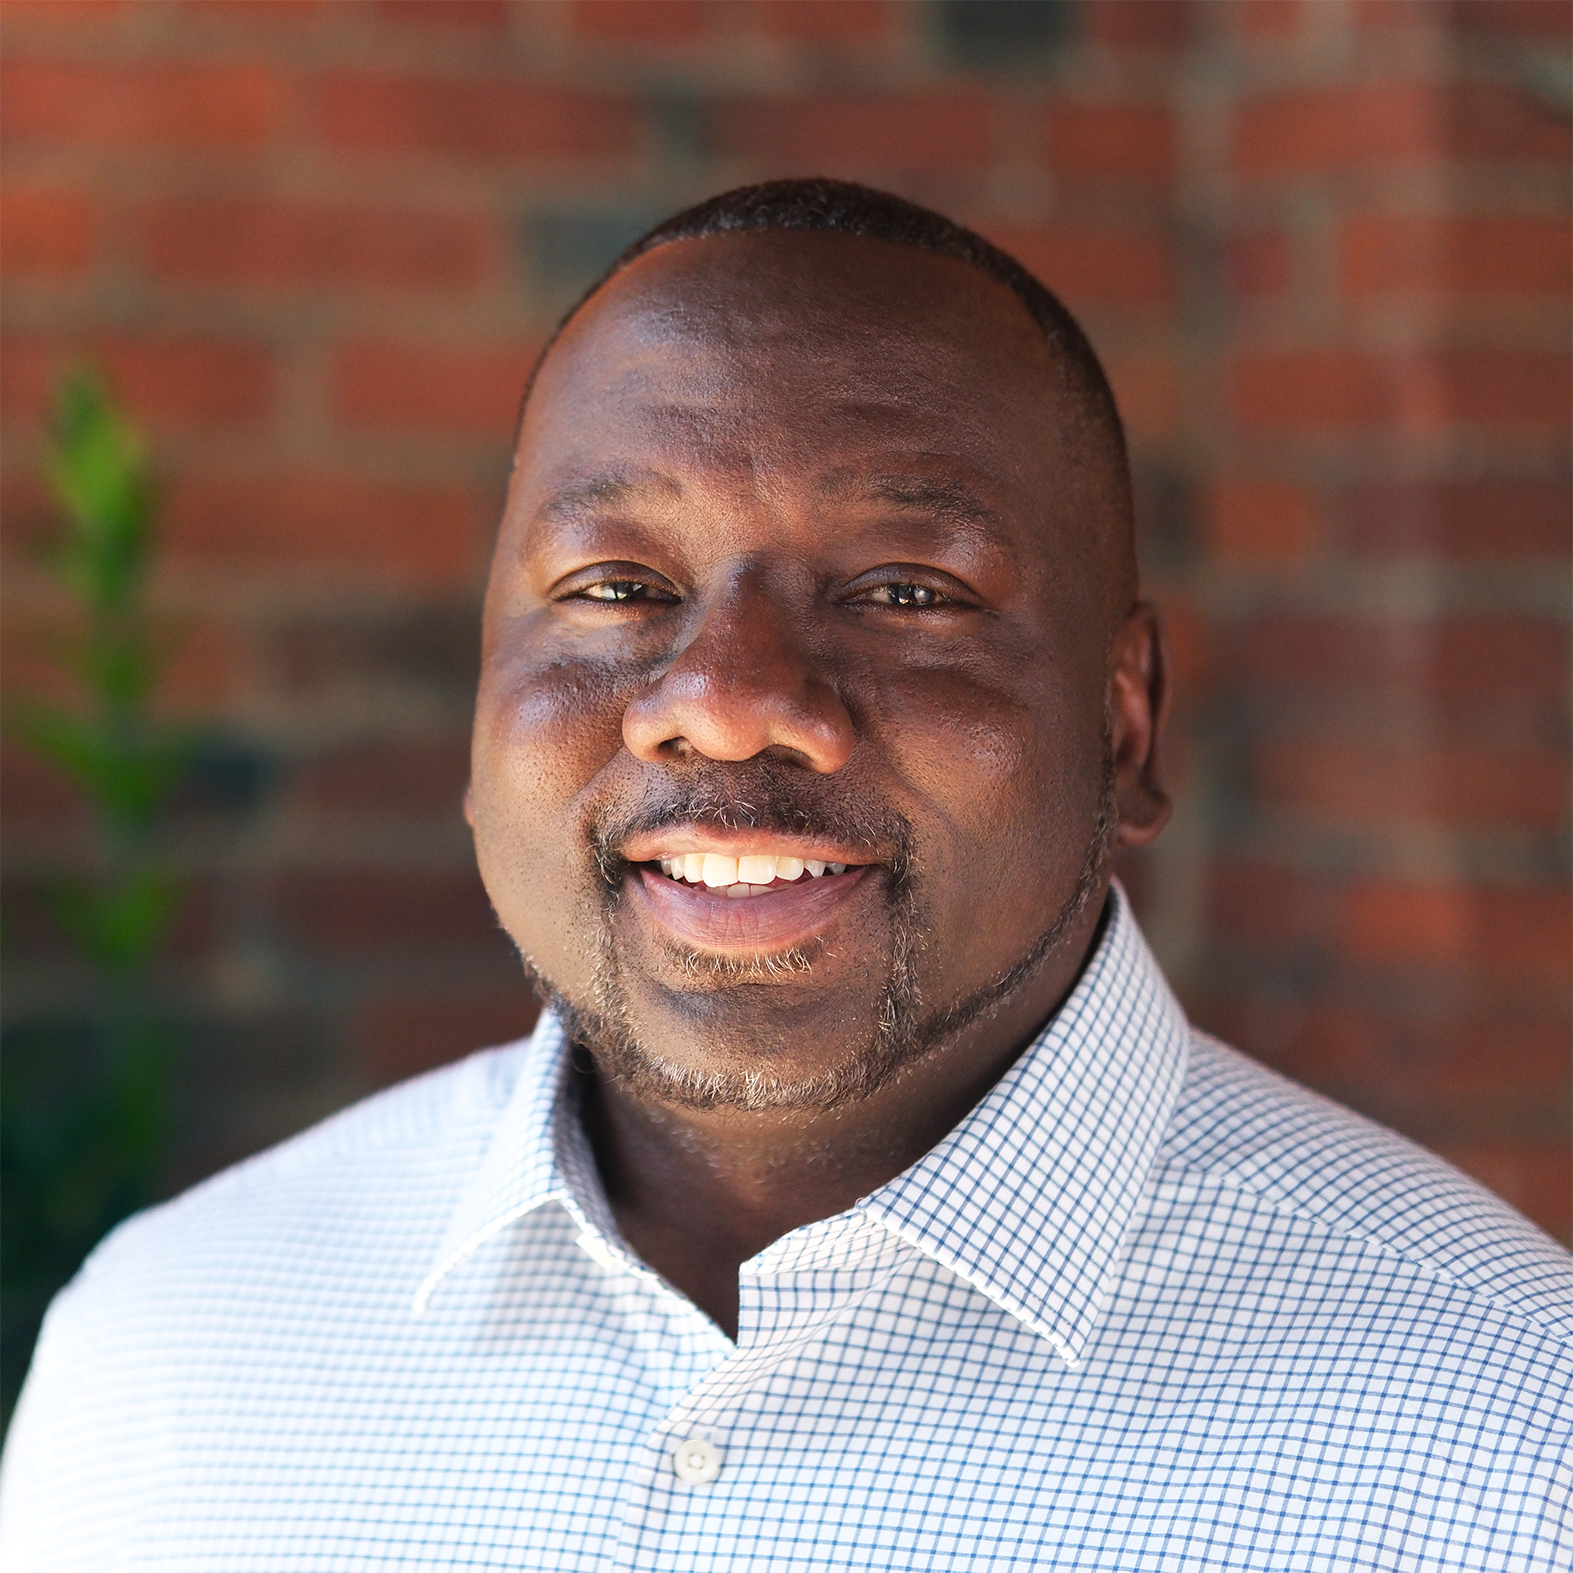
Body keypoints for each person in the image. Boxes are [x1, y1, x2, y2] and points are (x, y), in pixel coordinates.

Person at [2, 178, 1570, 1571]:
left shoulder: (1507, 1438)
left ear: (1125, 725)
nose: (730, 698)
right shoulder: (165, 1356)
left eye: (906, 591)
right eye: (618, 585)